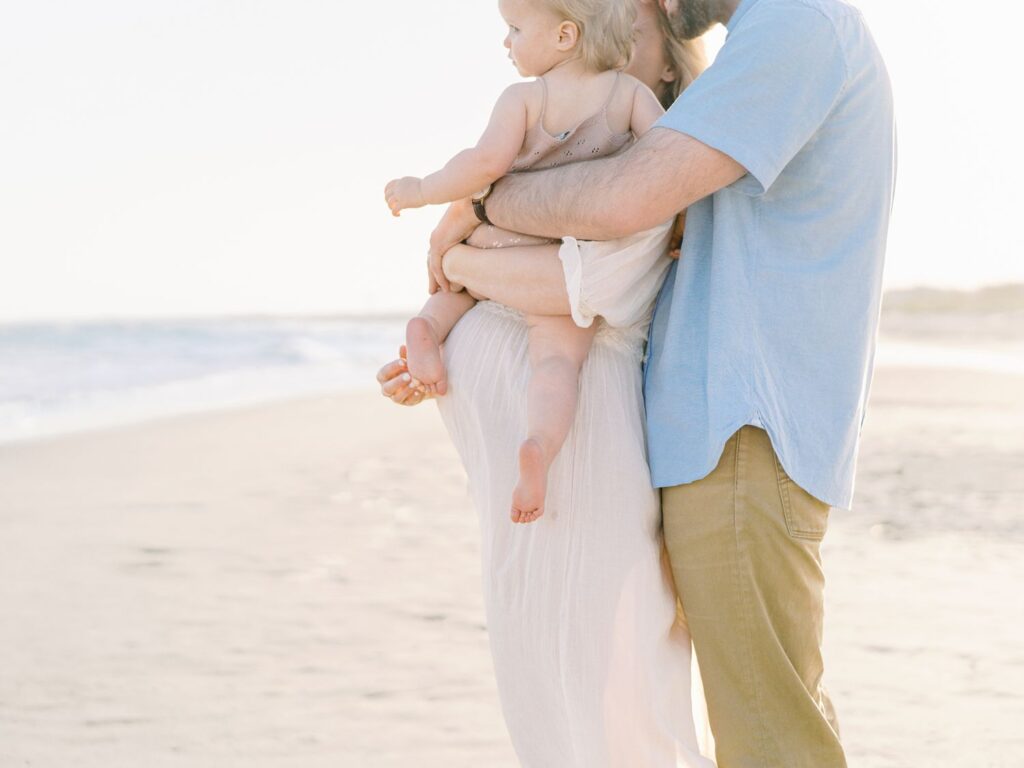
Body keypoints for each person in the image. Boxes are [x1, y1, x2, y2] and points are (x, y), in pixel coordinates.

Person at [423, 0, 896, 765]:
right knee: (755, 716)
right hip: (711, 437)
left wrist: (481, 198)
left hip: (743, 431)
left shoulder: (799, 24)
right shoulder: (769, 42)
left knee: (768, 734)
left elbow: (619, 202)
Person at [378, 2, 716, 766]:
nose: (608, 36)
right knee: (535, 649)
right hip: (517, 453)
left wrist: (460, 256)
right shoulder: (548, 141)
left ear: (666, 69)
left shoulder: (646, 177)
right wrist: (438, 328)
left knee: (613, 658)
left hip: (583, 438)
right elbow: (484, 212)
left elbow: (576, 289)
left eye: (631, 33)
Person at [384, 0, 672, 524]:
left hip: (502, 239)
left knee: (454, 282)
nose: (506, 42)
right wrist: (679, 225)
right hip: (565, 256)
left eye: (514, 29)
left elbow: (483, 165)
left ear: (565, 36)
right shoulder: (631, 94)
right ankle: (539, 443)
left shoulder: (522, 98)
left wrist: (421, 189)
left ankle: (425, 328)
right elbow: (667, 161)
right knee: (558, 364)